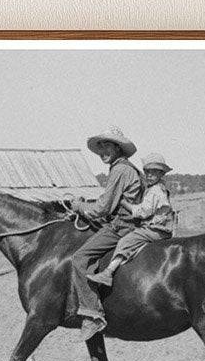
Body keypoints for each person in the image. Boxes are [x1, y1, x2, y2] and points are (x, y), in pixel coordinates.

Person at [70, 126, 144, 340]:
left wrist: (79, 207)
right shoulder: (126, 168)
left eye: (107, 146)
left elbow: (103, 207)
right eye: (100, 147)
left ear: (118, 148)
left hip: (122, 226)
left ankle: (92, 314)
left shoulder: (119, 170)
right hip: (127, 222)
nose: (103, 151)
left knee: (79, 258)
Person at [87, 151, 174, 288]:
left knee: (126, 241)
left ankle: (108, 272)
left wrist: (124, 203)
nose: (149, 175)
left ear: (161, 174)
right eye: (147, 171)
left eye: (154, 172)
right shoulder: (160, 188)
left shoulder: (155, 191)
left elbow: (142, 212)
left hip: (154, 229)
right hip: (163, 228)